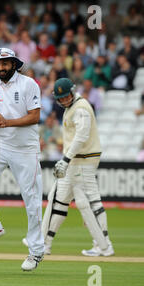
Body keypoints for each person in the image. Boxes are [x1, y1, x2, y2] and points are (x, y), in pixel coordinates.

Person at [0, 48, 44, 271]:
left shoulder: (28, 84)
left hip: (26, 149)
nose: (1, 68)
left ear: (14, 64)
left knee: (32, 200)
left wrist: (8, 122)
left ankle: (35, 252)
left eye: (5, 64)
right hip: (0, 144)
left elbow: (35, 116)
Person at [41, 78, 114, 257]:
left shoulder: (80, 109)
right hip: (78, 160)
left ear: (73, 92)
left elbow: (81, 137)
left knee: (88, 201)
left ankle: (103, 245)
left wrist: (65, 160)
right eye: (61, 98)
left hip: (83, 161)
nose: (65, 100)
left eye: (67, 96)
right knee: (59, 199)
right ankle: (44, 243)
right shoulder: (72, 107)